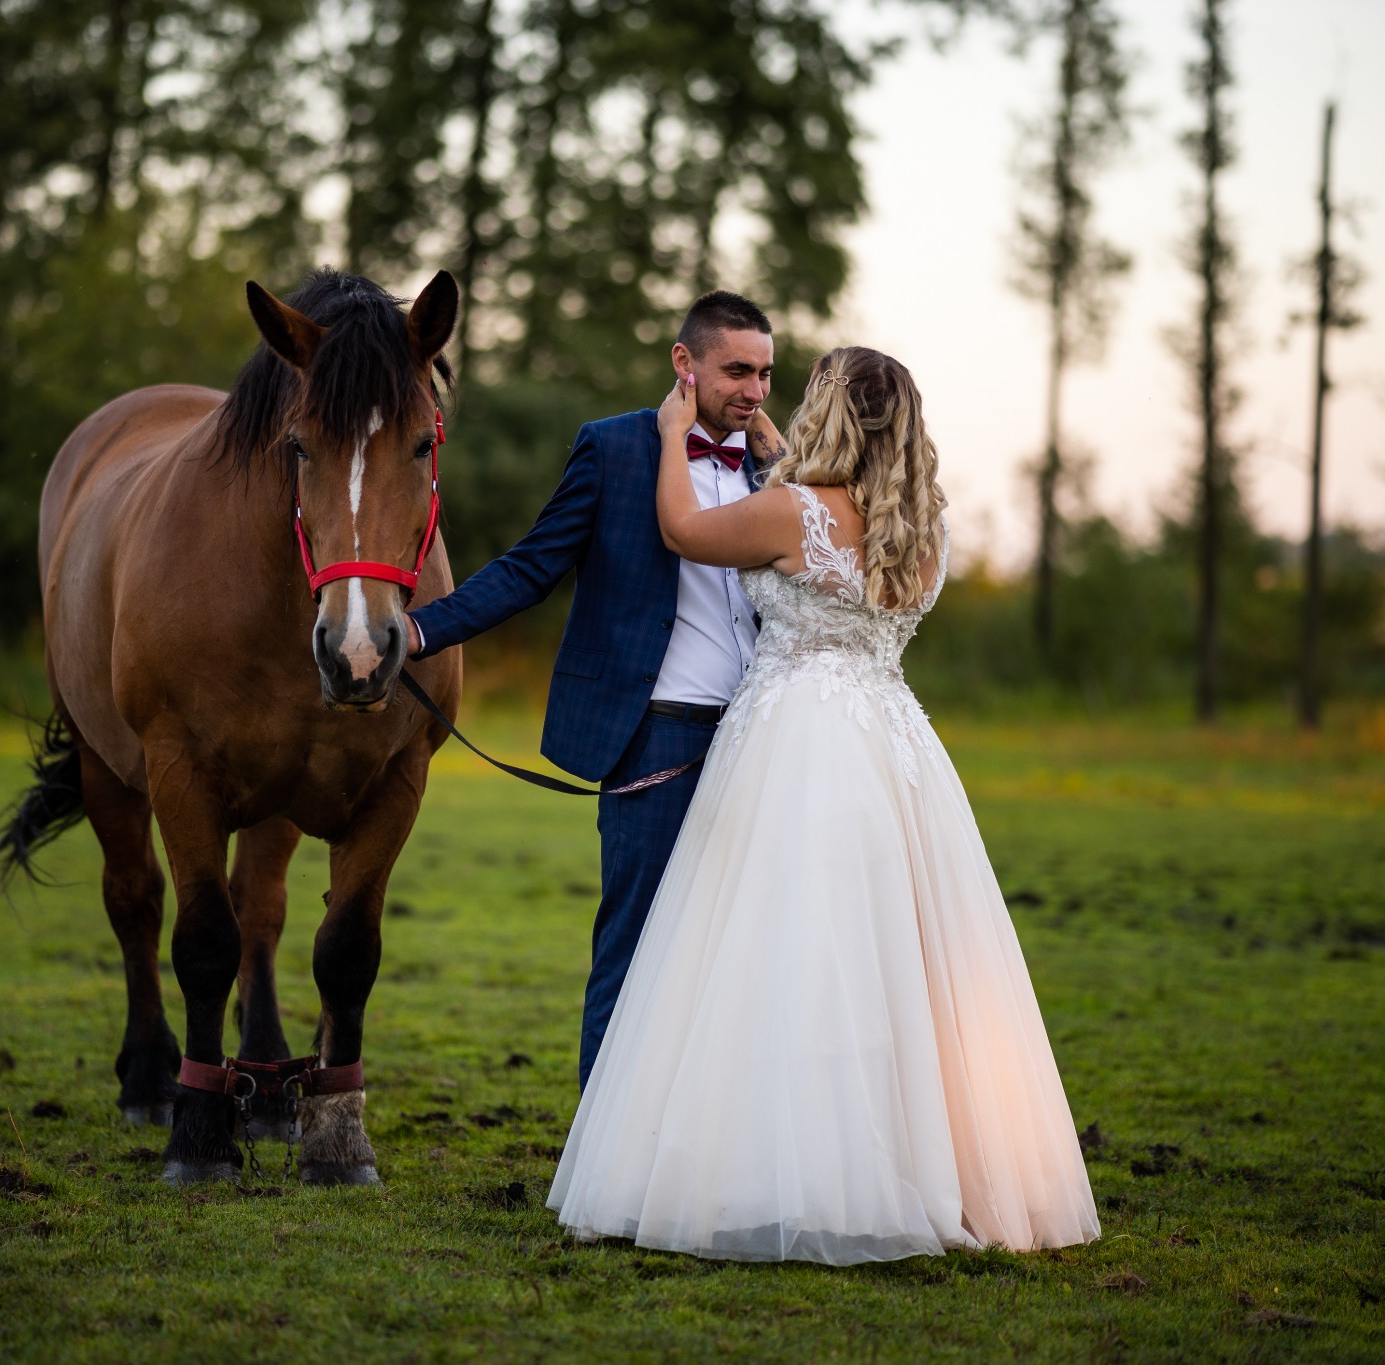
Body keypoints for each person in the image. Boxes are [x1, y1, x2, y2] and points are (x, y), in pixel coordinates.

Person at [546, 348, 1102, 1264]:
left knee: (775, 950)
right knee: (887, 957)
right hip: (893, 745)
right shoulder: (926, 531)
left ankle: (775, 1167)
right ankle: (904, 1164)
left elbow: (684, 528)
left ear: (830, 413)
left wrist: (679, 437)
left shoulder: (785, 512)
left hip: (793, 739)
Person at [406, 291, 777, 1090]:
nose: (753, 390)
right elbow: (532, 566)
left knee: (742, 955)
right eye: (737, 370)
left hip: (764, 740)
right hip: (656, 733)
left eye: (766, 374)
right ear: (685, 363)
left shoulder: (781, 470)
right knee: (635, 951)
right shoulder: (612, 449)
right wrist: (421, 630)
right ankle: (600, 1173)